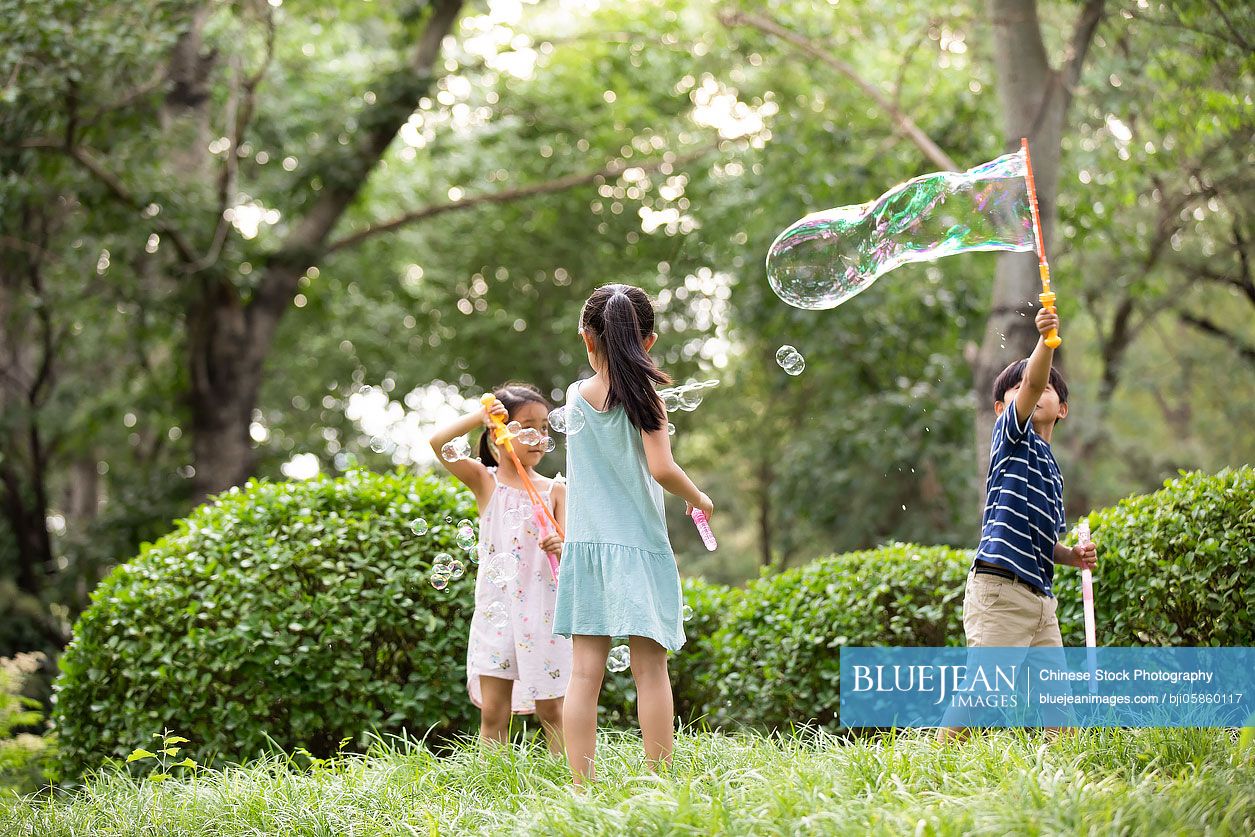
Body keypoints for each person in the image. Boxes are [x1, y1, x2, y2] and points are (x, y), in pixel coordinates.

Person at [553, 283, 715, 786]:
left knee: (584, 675)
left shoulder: (574, 398)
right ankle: (659, 781)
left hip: (586, 547)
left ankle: (581, 788)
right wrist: (700, 499)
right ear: (648, 342)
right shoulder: (647, 399)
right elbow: (662, 468)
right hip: (639, 546)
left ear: (587, 339)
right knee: (651, 671)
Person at [937, 304, 1097, 742]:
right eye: (1026, 387)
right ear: (1002, 406)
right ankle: (932, 769)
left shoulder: (1053, 471)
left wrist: (1072, 556)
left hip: (1040, 599)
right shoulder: (1011, 439)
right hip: (1001, 591)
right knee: (983, 695)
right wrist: (1046, 342)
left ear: (1062, 409)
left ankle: (1063, 784)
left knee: (1058, 708)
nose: (1035, 388)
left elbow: (1040, 540)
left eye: (1049, 389)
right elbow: (1030, 382)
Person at [428, 384, 571, 754]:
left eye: (544, 428)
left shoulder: (556, 490)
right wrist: (482, 415)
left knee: (552, 710)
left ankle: (567, 785)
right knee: (494, 712)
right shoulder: (486, 483)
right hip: (499, 612)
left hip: (545, 614)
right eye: (527, 426)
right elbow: (437, 441)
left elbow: (572, 551)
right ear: (500, 431)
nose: (539, 437)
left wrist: (561, 544)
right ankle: (495, 782)